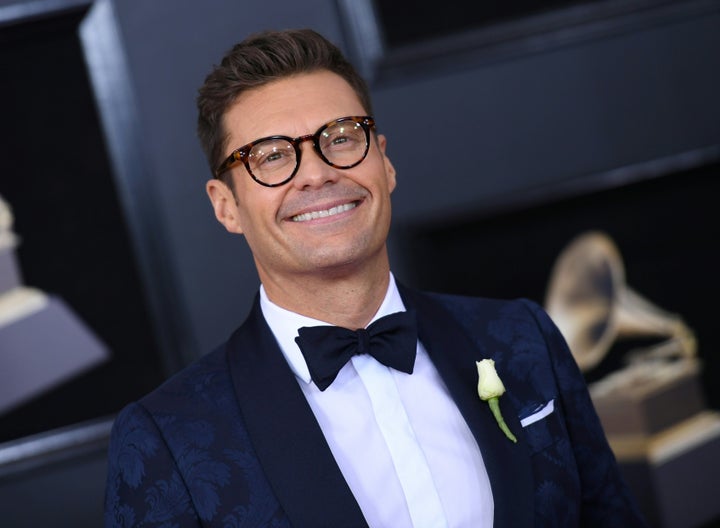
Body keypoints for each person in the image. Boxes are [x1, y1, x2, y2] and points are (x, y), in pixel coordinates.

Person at [103, 28, 648, 527]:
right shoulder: (165, 437)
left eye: (340, 137)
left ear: (383, 163)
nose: (317, 172)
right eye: (271, 157)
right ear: (226, 206)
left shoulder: (524, 337)